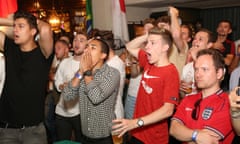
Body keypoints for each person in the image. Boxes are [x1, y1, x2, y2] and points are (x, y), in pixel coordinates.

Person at [112, 27, 180, 144]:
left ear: (165, 47)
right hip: (137, 132)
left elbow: (168, 110)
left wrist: (136, 122)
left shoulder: (171, 72)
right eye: (147, 42)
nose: (147, 46)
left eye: (153, 43)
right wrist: (147, 36)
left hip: (154, 137)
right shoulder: (149, 61)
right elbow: (130, 46)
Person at [0, 10, 53, 144]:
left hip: (34, 131)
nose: (15, 30)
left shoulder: (43, 54)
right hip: (7, 130)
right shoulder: (10, 47)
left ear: (33, 31)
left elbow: (46, 29)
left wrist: (18, 20)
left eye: (21, 26)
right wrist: (15, 22)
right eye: (14, 26)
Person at [61, 37, 120, 144]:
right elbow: (67, 96)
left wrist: (87, 72)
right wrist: (80, 70)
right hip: (84, 135)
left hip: (104, 137)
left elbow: (96, 97)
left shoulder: (112, 73)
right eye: (87, 47)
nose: (87, 51)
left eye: (93, 48)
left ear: (103, 55)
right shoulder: (81, 73)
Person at [170, 48, 235, 144]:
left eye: (204, 69)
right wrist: (196, 135)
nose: (198, 74)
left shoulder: (228, 103)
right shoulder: (188, 99)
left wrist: (185, 134)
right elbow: (173, 129)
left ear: (219, 73)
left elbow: (208, 141)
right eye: (196, 69)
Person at [54, 32, 87, 142]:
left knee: (80, 141)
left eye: (81, 40)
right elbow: (57, 78)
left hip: (80, 113)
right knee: (63, 141)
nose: (77, 43)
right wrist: (60, 85)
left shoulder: (88, 65)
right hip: (61, 112)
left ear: (87, 46)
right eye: (75, 40)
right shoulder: (65, 62)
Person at [180, 28, 215, 96]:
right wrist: (181, 88)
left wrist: (195, 58)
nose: (195, 41)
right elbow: (183, 91)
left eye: (200, 39)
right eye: (195, 38)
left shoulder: (215, 63)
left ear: (209, 45)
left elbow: (208, 86)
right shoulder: (188, 66)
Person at [213, 20, 235, 91]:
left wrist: (214, 53)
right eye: (220, 26)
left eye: (225, 27)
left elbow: (228, 62)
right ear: (217, 29)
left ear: (229, 31)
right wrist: (212, 46)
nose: (222, 29)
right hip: (208, 76)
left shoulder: (230, 44)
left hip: (223, 82)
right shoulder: (211, 41)